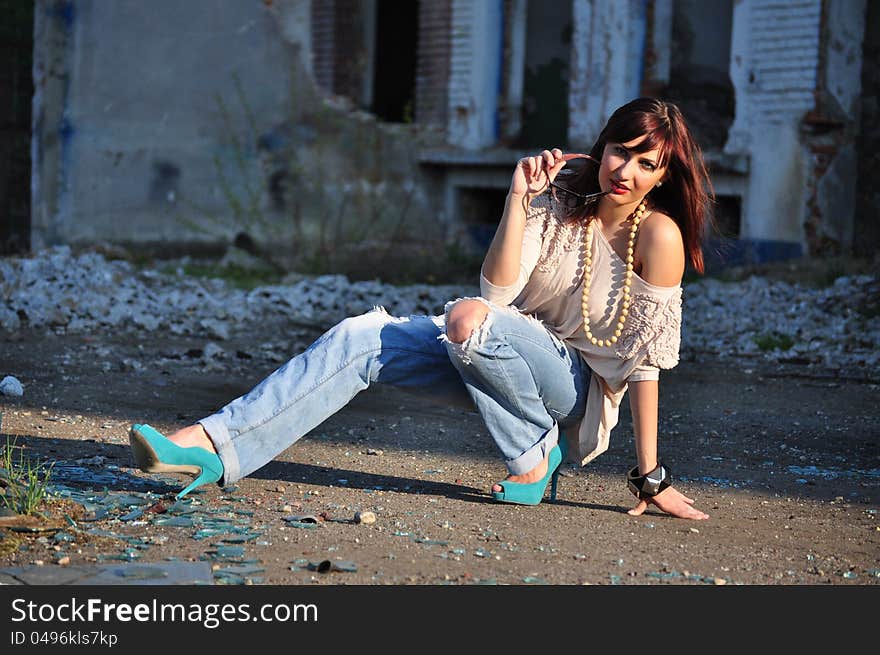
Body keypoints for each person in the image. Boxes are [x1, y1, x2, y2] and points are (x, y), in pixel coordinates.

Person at [130, 97, 712, 520]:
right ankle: (210, 447)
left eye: (646, 163)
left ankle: (537, 454)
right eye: (620, 152)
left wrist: (649, 475)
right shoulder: (557, 195)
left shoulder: (658, 237)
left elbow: (644, 363)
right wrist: (517, 201)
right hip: (494, 350)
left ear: (664, 175)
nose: (625, 172)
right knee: (362, 337)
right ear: (602, 144)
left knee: (468, 322)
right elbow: (499, 296)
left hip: (574, 387)